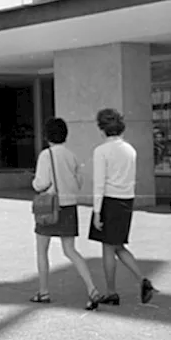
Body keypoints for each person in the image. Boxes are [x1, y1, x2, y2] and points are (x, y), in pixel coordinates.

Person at [30, 117, 101, 309]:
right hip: (69, 207)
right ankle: (92, 288)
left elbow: (40, 183)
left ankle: (43, 292)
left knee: (42, 250)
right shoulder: (71, 156)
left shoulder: (46, 155)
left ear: (47, 136)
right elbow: (78, 183)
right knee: (70, 250)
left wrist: (35, 183)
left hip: (49, 207)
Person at [89, 109, 156, 305]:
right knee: (118, 245)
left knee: (108, 248)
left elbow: (99, 183)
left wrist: (96, 211)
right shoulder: (130, 149)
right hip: (126, 200)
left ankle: (111, 291)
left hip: (109, 200)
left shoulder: (101, 151)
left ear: (102, 129)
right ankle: (142, 279)